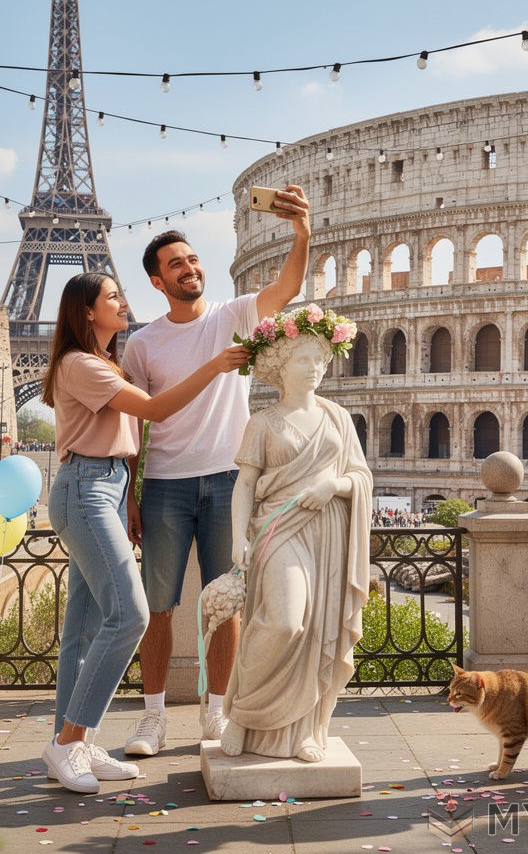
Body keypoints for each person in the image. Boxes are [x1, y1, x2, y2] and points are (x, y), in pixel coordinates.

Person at [39, 272, 248, 794]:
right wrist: (215, 365)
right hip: (86, 489)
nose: (124, 302)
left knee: (85, 628)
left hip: (105, 487)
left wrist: (128, 494)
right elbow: (154, 411)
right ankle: (69, 741)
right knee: (130, 614)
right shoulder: (81, 364)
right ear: (87, 311)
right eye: (112, 296)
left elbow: (134, 436)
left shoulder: (103, 362)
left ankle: (76, 743)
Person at [121, 185, 310, 757]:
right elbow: (136, 425)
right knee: (158, 607)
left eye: (193, 259)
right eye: (176, 264)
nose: (190, 269)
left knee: (225, 599)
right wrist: (131, 496)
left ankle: (217, 712)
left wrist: (301, 232)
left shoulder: (235, 314)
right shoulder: (142, 344)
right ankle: (153, 718)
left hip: (229, 480)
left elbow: (287, 288)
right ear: (157, 281)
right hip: (165, 485)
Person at [219, 309, 371, 762]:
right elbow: (245, 484)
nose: (314, 368)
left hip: (328, 529)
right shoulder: (263, 422)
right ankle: (243, 714)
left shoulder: (338, 418)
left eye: (320, 360)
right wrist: (238, 537)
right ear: (281, 367)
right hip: (279, 527)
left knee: (319, 631)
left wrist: (334, 486)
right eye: (304, 359)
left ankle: (308, 728)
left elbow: (360, 476)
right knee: (285, 622)